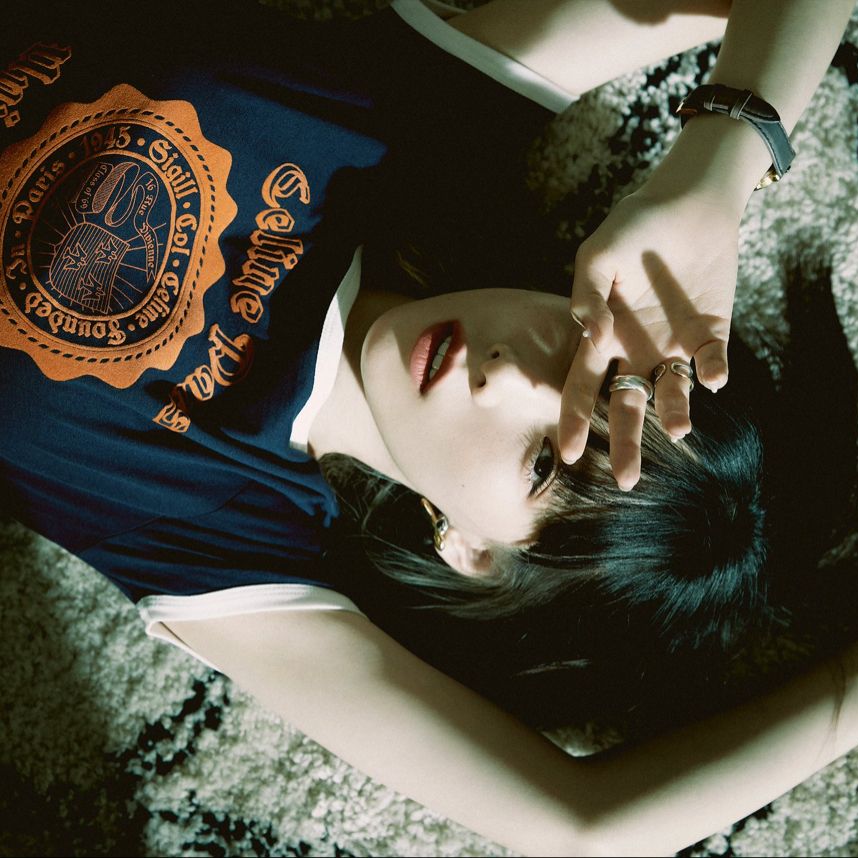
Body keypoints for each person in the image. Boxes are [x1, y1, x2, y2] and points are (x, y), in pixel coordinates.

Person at [0, 0, 856, 855]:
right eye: (580, 357)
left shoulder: (222, 532)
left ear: (475, 552)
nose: (508, 376)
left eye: (542, 465)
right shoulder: (421, 126)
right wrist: (717, 173)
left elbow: (587, 828)